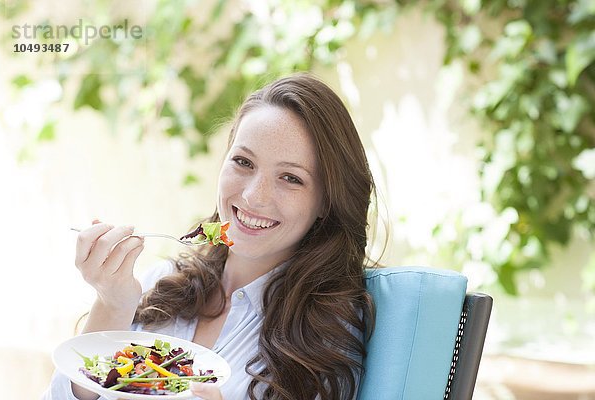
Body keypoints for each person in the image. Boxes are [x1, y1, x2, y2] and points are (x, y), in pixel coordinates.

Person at [42, 73, 377, 400]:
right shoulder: (161, 285)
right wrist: (112, 304)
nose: (253, 196)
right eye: (244, 162)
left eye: (290, 178)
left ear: (325, 201)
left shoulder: (326, 335)